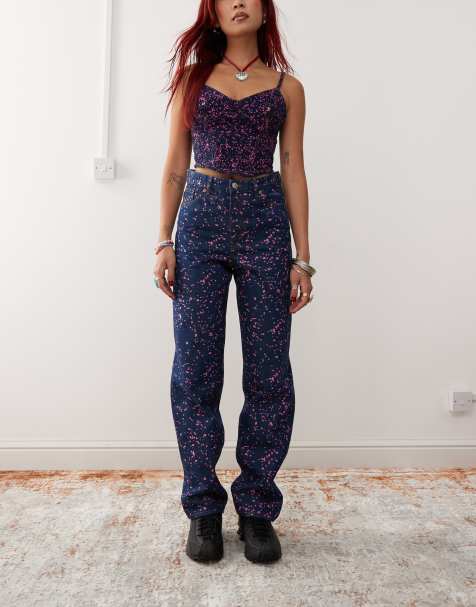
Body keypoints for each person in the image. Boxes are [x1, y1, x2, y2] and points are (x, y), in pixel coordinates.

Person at [153, 0, 315, 564]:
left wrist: (303, 258)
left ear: (265, 12)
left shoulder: (288, 88)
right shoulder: (192, 81)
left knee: (270, 370)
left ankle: (256, 508)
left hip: (265, 223)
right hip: (200, 220)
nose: (239, 2)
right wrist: (164, 240)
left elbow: (293, 166)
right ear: (214, 13)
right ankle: (202, 507)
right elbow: (175, 162)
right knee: (195, 368)